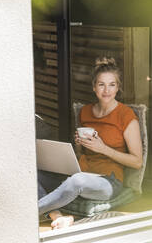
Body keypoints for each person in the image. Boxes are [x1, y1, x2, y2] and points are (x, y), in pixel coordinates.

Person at [37, 57, 143, 229]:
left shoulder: (126, 115)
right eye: (101, 84)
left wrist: (104, 149)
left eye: (112, 84)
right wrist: (79, 144)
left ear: (118, 87)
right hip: (81, 172)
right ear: (94, 87)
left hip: (109, 181)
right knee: (35, 174)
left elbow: (137, 162)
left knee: (77, 181)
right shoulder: (85, 112)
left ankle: (30, 213)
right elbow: (82, 154)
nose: (106, 90)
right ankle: (56, 215)